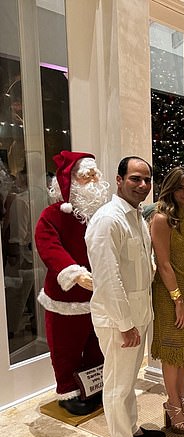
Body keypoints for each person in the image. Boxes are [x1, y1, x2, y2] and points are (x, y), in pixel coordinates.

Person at [86, 156, 164, 437]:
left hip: (138, 314)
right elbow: (107, 277)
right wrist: (125, 323)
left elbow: (141, 268)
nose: (142, 185)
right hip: (120, 320)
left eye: (146, 180)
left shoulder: (135, 216)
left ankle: (131, 430)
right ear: (119, 180)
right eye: (135, 179)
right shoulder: (107, 220)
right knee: (117, 385)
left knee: (129, 381)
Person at [34, 151, 109, 415]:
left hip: (97, 295)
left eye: (94, 175)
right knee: (66, 348)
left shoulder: (102, 215)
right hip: (65, 299)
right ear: (69, 182)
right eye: (85, 176)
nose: (92, 180)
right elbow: (49, 246)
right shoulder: (52, 215)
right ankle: (67, 391)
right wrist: (74, 273)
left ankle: (92, 387)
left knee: (94, 345)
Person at [150, 166, 184, 433]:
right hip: (171, 294)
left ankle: (181, 399)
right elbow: (164, 264)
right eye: (181, 187)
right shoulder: (161, 219)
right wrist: (177, 300)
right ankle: (171, 404)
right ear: (170, 189)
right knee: (172, 352)